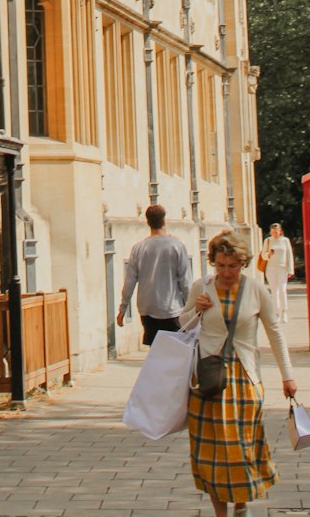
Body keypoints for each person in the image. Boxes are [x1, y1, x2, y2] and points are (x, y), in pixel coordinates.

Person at [180, 230, 297, 517]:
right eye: (220, 266)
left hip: (244, 380)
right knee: (211, 453)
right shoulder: (201, 288)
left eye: (232, 266)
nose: (226, 272)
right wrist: (196, 309)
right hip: (208, 379)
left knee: (241, 449)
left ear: (242, 263)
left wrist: (288, 376)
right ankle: (221, 513)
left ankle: (241, 506)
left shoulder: (257, 290)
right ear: (213, 263)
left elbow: (275, 333)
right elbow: (182, 323)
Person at [115, 203, 192, 345]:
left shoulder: (138, 248)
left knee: (155, 351)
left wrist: (123, 308)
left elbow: (130, 280)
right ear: (164, 220)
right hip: (170, 308)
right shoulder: (176, 246)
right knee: (174, 351)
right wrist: (191, 307)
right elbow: (185, 281)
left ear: (148, 222)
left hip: (147, 308)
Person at [260, 222, 294, 323]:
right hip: (271, 268)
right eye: (273, 231)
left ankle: (284, 312)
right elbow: (263, 256)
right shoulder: (268, 241)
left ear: (280, 231)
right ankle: (276, 313)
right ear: (270, 232)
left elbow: (289, 255)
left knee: (282, 290)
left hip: (282, 268)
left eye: (277, 231)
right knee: (274, 291)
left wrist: (290, 269)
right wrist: (268, 254)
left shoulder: (285, 241)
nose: (275, 233)